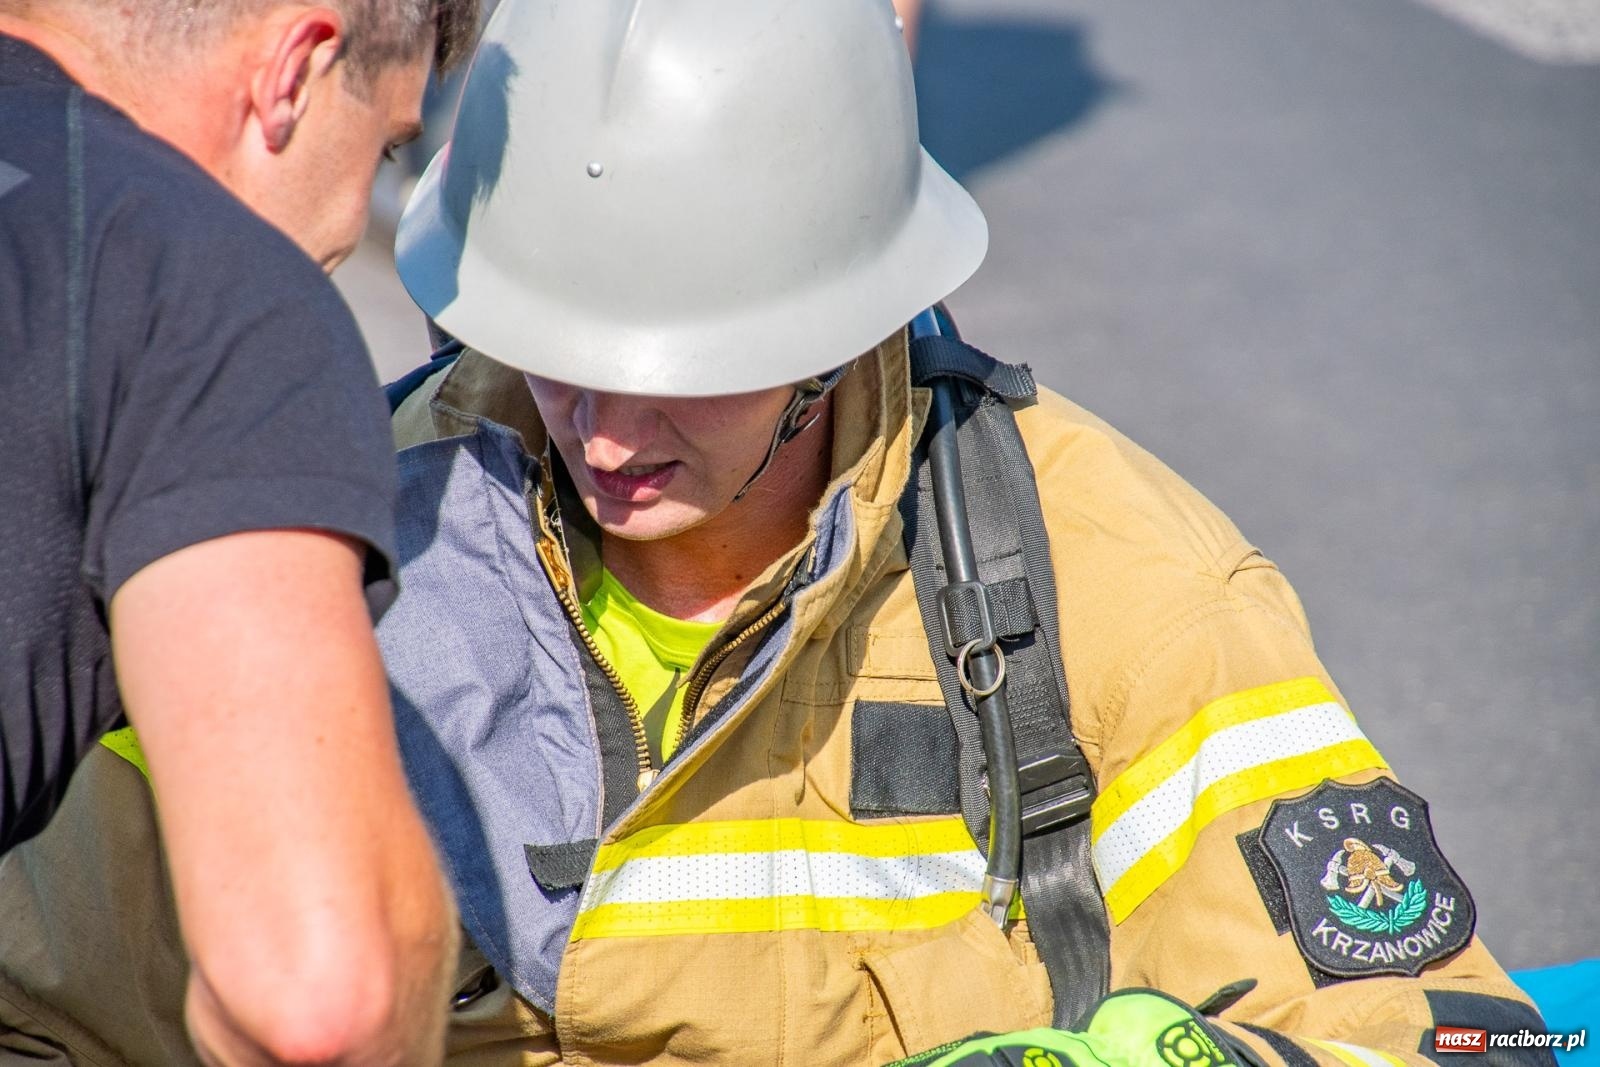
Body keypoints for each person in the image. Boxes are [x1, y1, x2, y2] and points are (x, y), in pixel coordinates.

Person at [0, 0, 1554, 1065]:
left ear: (838, 319)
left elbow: (1431, 1024)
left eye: (682, 375)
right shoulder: (315, 554)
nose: (606, 433)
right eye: (555, 353)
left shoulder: (1105, 581)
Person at [0, 0, 476, 1060]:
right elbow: (319, 990)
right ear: (295, 70)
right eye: (388, 144)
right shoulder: (202, 285)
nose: (358, 220)